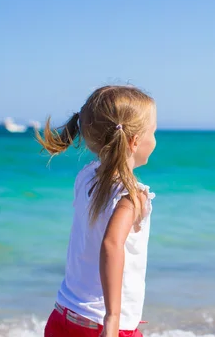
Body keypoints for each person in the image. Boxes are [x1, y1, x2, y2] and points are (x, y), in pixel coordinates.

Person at [37, 85, 157, 337]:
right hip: (103, 327)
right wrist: (112, 319)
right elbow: (111, 245)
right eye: (153, 132)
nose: (155, 140)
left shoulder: (86, 176)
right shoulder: (132, 196)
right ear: (135, 141)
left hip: (63, 316)